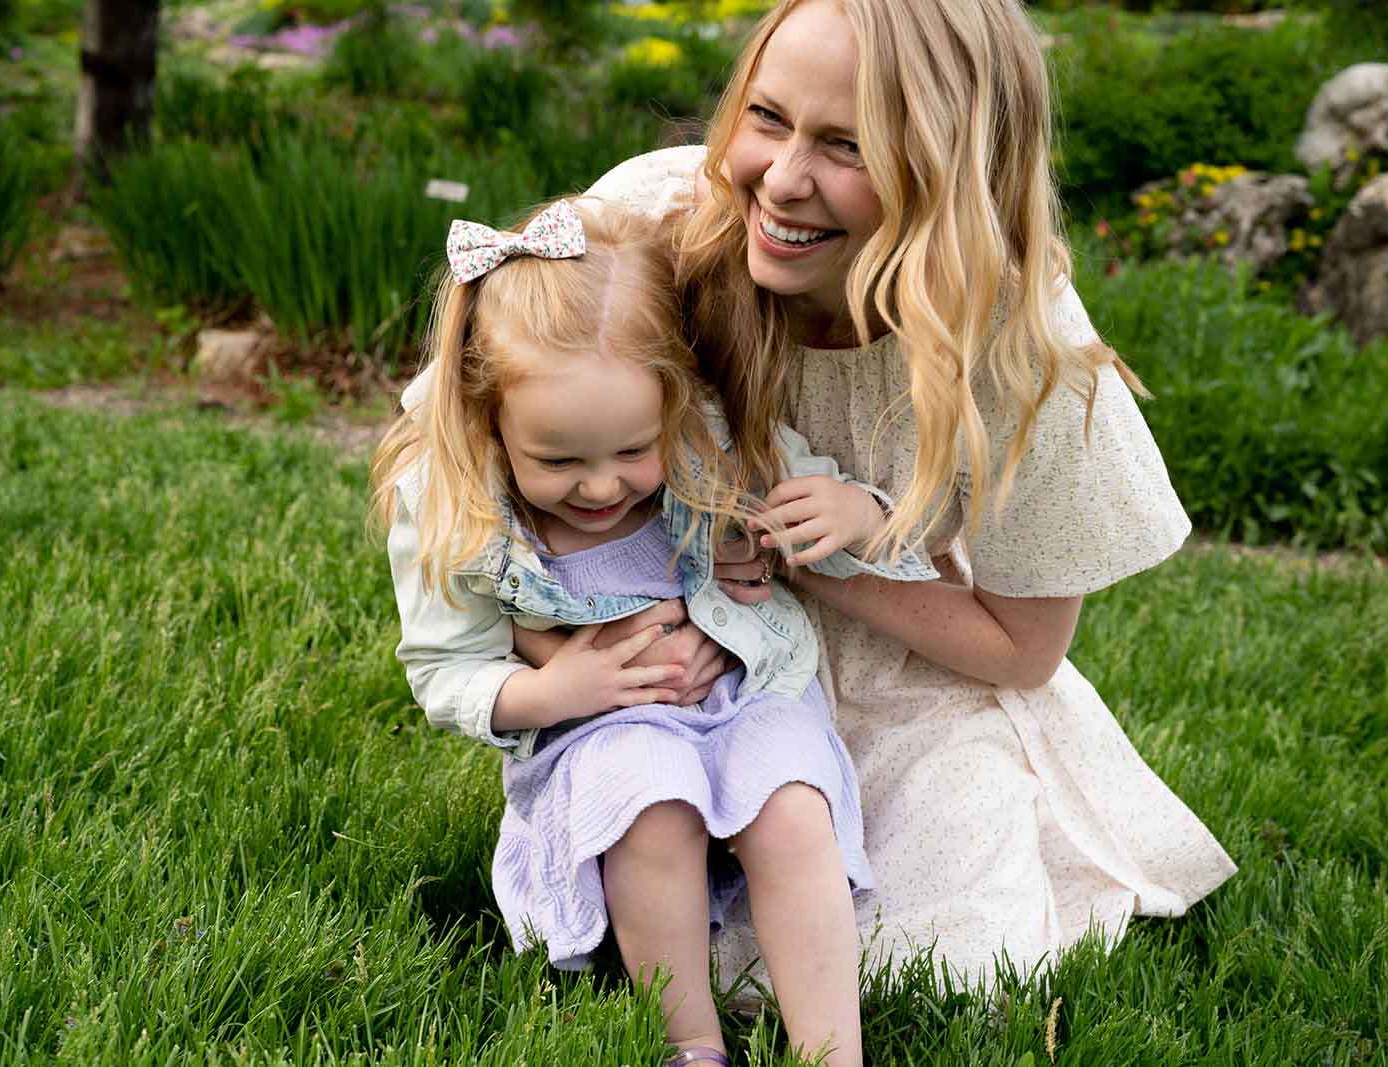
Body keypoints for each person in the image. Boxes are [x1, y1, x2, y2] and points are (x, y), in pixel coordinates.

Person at [559, 0, 1238, 991]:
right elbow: (471, 429)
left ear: (951, 169)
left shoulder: (1013, 346)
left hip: (906, 676)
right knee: (648, 920)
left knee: (949, 962)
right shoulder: (660, 226)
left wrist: (830, 559)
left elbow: (1021, 646)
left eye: (848, 147)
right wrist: (555, 651)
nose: (784, 180)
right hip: (690, 649)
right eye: (766, 118)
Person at [372, 198, 937, 1067]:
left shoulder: (707, 440)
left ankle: (833, 1050)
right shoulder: (457, 507)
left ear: (673, 402)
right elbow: (446, 668)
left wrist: (854, 513)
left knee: (791, 801)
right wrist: (555, 692)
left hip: (745, 695)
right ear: (490, 420)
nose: (601, 487)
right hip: (603, 726)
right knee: (650, 801)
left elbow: (835, 509)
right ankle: (691, 1043)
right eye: (559, 461)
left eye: (632, 451)